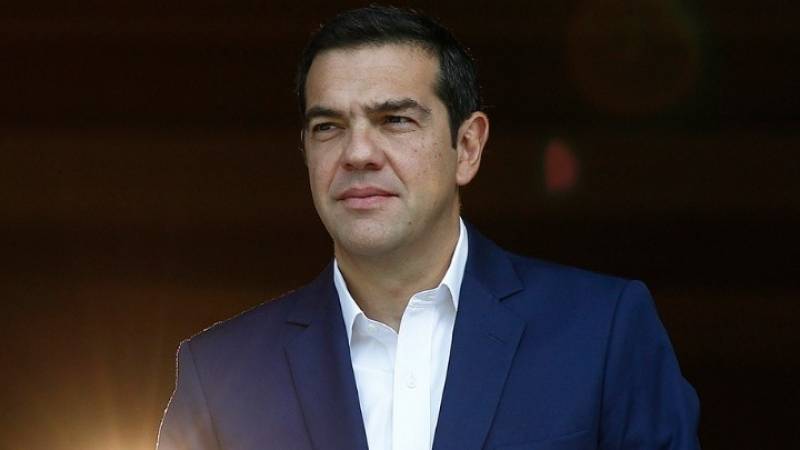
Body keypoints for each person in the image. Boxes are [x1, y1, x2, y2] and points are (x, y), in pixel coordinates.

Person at [157, 5, 700, 450]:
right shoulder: (220, 375)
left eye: (394, 120)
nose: (358, 153)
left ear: (467, 146)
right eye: (328, 126)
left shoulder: (601, 333)